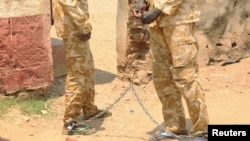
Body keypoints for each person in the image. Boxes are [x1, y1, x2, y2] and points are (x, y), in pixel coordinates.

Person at [133, 0, 209, 140]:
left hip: (178, 21)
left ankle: (202, 131)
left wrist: (157, 10)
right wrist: (142, 2)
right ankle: (175, 128)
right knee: (163, 77)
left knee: (186, 76)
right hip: (156, 24)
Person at [52, 0, 111, 135]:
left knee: (87, 68)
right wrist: (83, 25)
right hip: (73, 28)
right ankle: (70, 122)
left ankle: (89, 109)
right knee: (77, 74)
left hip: (75, 28)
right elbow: (69, 3)